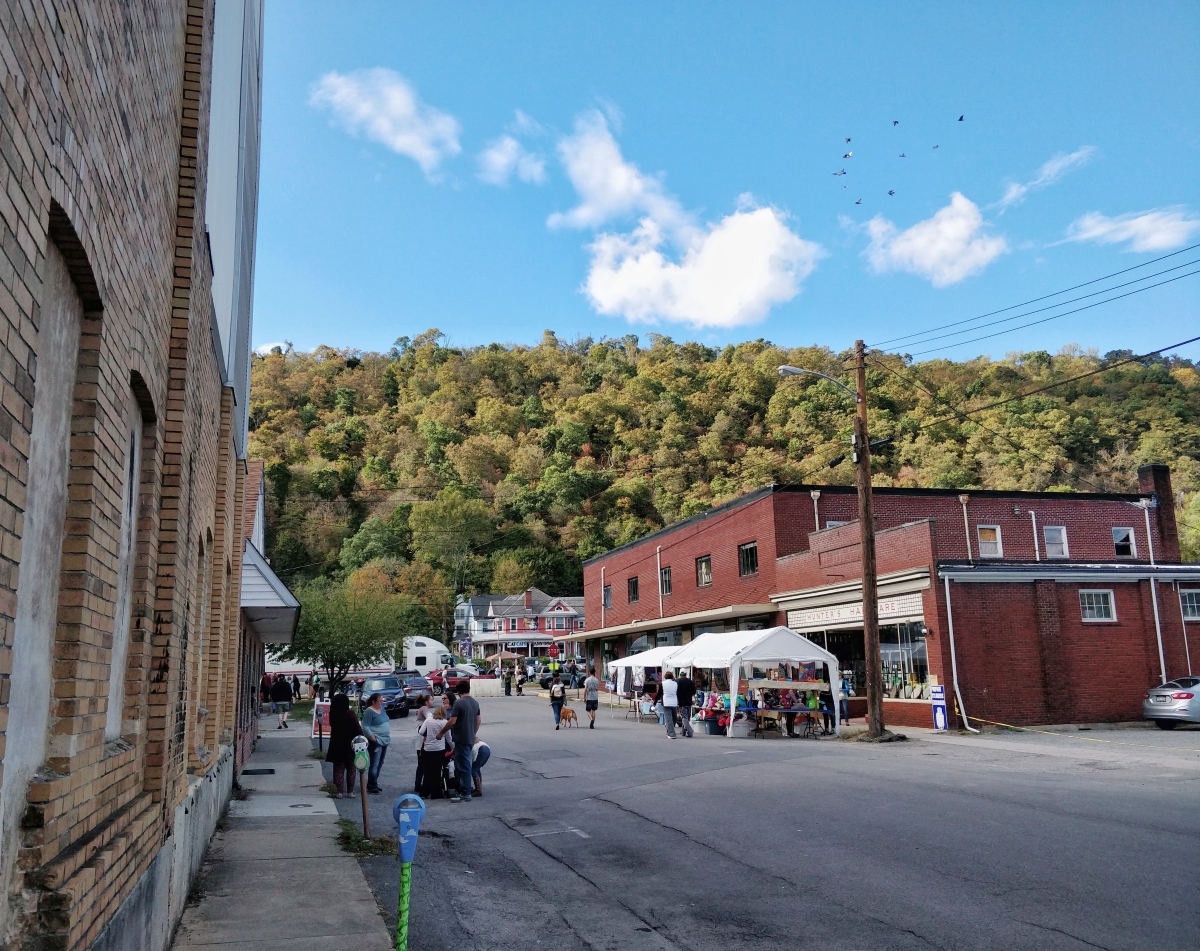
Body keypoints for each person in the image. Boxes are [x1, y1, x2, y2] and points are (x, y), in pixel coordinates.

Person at [438, 681, 480, 803]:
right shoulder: (475, 703)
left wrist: (441, 732)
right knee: (463, 764)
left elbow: (452, 721)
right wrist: (473, 733)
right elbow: (478, 721)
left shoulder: (458, 703)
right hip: (469, 738)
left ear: (458, 690)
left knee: (463, 766)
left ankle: (465, 792)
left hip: (461, 738)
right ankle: (464, 789)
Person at [325, 694, 363, 798]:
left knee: (339, 768)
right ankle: (350, 792)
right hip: (350, 744)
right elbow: (358, 729)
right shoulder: (350, 714)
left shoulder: (333, 714)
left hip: (336, 744)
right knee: (351, 768)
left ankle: (339, 792)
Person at [361, 692, 391, 794]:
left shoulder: (382, 709)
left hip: (385, 740)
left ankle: (374, 783)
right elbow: (365, 726)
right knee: (375, 762)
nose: (381, 702)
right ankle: (371, 785)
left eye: (382, 700)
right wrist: (372, 737)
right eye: (379, 701)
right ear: (373, 701)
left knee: (380, 762)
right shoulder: (369, 711)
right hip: (376, 740)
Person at [416, 706, 448, 797]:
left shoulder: (428, 720)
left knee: (427, 771)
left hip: (428, 748)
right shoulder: (445, 722)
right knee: (437, 771)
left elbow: (421, 732)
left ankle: (425, 792)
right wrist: (453, 747)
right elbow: (449, 737)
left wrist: (429, 735)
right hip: (439, 749)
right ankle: (436, 793)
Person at [675, 669, 695, 738]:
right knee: (687, 717)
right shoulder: (690, 682)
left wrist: (679, 703)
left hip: (681, 702)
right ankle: (683, 732)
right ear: (686, 674)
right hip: (688, 701)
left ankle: (690, 731)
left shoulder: (677, 682)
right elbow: (694, 691)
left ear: (680, 674)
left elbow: (677, 693)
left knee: (684, 717)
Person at [660, 671, 679, 738]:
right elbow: (678, 693)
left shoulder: (662, 684)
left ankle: (671, 732)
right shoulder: (675, 684)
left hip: (666, 702)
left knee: (669, 718)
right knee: (674, 718)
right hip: (674, 702)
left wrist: (655, 702)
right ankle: (671, 731)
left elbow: (660, 693)